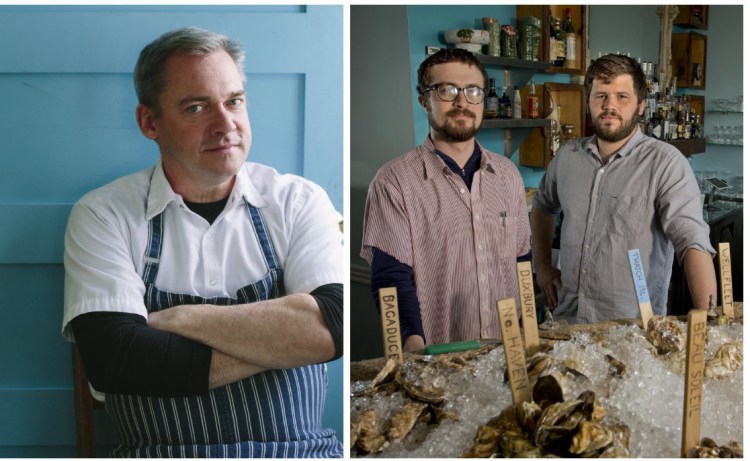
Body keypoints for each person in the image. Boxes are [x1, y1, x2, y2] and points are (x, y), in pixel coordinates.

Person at [62, 27, 343, 457]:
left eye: (234, 101)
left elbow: (332, 327)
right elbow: (115, 360)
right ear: (149, 122)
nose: (226, 124)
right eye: (197, 108)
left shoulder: (298, 201)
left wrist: (172, 321)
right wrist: (287, 339)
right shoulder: (103, 215)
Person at [361, 48, 532, 351]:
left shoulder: (508, 175)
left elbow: (520, 260)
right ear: (424, 100)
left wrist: (528, 332)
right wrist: (413, 348)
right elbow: (391, 280)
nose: (462, 102)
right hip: (438, 357)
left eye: (473, 91)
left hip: (506, 352)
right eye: (447, 90)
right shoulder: (394, 182)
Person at [531, 53, 716, 324]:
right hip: (567, 323)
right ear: (588, 103)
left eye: (622, 97)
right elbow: (542, 207)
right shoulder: (567, 157)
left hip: (633, 332)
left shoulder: (665, 162)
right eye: (601, 96)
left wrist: (706, 321)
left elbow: (692, 242)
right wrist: (544, 266)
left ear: (641, 105)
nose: (609, 105)